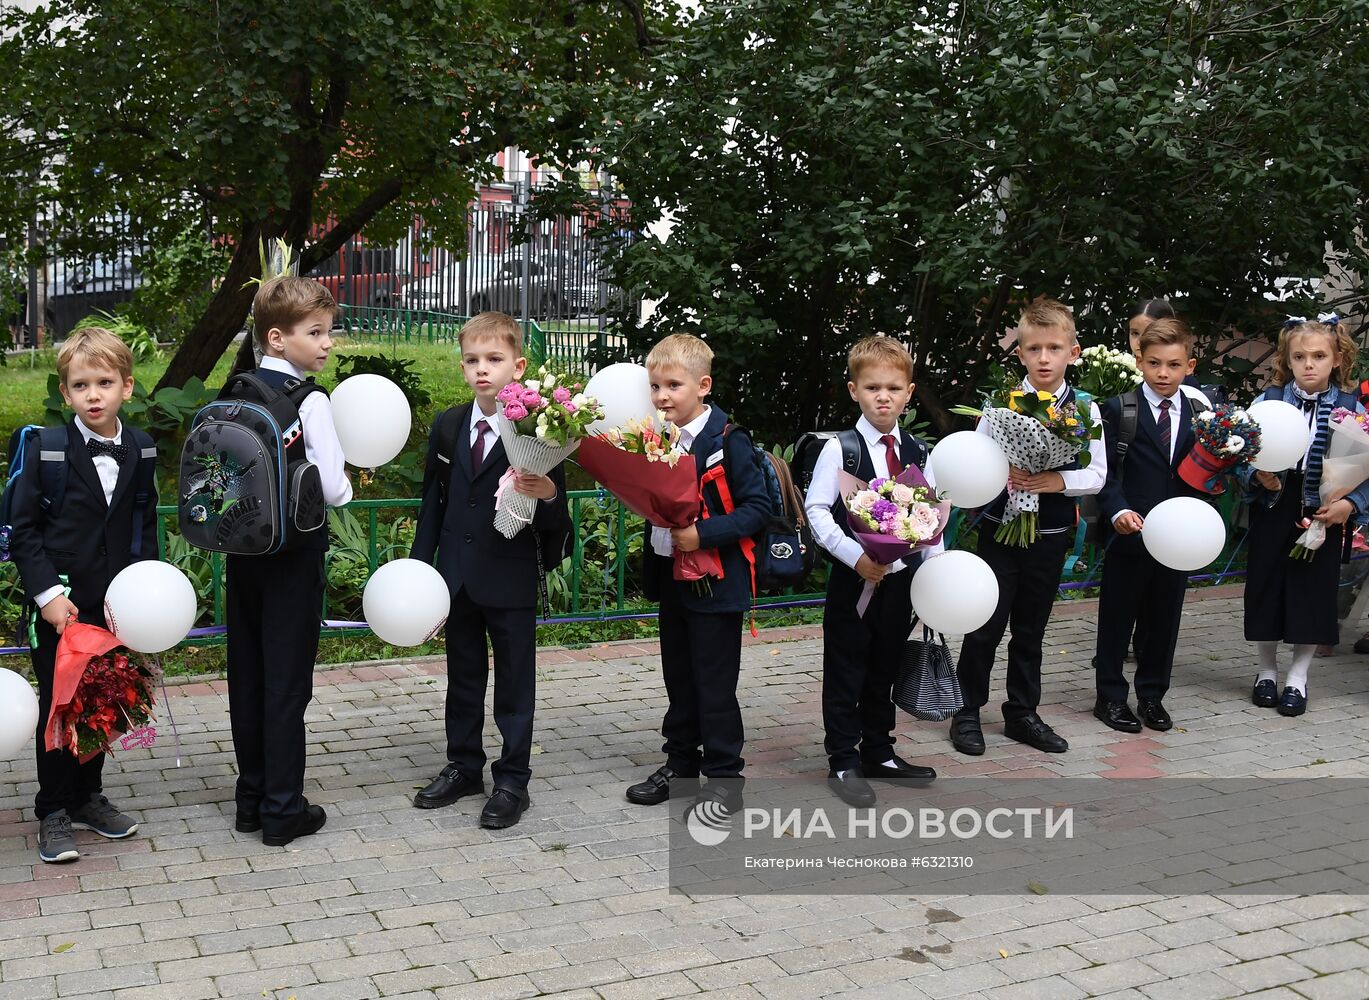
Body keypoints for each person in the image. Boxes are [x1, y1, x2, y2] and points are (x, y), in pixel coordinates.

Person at [411, 311, 570, 829]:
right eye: (473, 361)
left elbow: (557, 510)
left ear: (517, 366)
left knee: (514, 684)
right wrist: (421, 570)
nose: (483, 370)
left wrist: (544, 495)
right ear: (462, 367)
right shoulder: (449, 424)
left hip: (510, 576)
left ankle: (512, 780)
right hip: (457, 576)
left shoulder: (540, 428)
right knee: (463, 678)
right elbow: (432, 503)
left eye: (495, 360)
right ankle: (463, 766)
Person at [9, 326, 158, 863]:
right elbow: (22, 531)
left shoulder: (141, 448)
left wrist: (146, 592)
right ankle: (52, 808)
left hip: (117, 602)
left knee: (104, 700)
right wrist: (47, 594)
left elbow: (142, 523)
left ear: (127, 386)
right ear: (65, 392)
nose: (93, 395)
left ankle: (87, 795)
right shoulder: (45, 448)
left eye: (104, 382)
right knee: (60, 704)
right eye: (80, 385)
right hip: (61, 606)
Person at [225, 277, 353, 847]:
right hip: (292, 561)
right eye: (315, 333)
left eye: (328, 332)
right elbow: (330, 488)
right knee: (286, 685)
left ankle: (250, 800)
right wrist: (347, 484)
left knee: (247, 677)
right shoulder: (310, 401)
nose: (327, 344)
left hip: (242, 553)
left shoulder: (233, 390)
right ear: (277, 339)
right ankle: (283, 810)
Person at [952, 299, 1107, 756]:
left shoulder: (1084, 409)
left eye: (1054, 348)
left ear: (1073, 352)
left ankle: (1022, 712)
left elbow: (1096, 474)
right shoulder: (1000, 405)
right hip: (1000, 531)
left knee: (1031, 628)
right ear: (1019, 353)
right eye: (1033, 348)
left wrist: (1054, 480)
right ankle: (966, 710)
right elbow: (974, 462)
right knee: (985, 624)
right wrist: (997, 474)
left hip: (1051, 534)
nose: (1043, 358)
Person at [623, 333, 769, 819]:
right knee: (679, 679)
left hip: (717, 583)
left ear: (703, 386)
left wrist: (702, 534)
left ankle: (726, 777)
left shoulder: (728, 441)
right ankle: (680, 766)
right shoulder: (655, 438)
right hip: (672, 580)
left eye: (673, 386)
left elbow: (757, 510)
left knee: (714, 685)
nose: (662, 396)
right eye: (655, 386)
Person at [804, 336, 937, 807]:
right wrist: (855, 556)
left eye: (894, 388)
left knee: (885, 664)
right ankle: (843, 757)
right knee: (847, 667)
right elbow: (817, 511)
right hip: (854, 578)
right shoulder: (842, 449)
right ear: (853, 390)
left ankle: (879, 750)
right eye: (873, 387)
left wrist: (933, 577)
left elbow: (930, 522)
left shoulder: (918, 452)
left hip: (900, 581)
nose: (884, 396)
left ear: (909, 392)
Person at [1243, 316, 1367, 717]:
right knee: (1266, 585)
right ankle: (1265, 671)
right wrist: (1255, 473)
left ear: (1337, 359)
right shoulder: (1268, 402)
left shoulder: (1353, 409)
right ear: (1288, 360)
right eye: (1299, 356)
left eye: (1318, 356)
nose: (1308, 364)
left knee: (1312, 591)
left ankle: (1298, 677)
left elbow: (1366, 466)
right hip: (1275, 503)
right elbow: (1237, 453)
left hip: (1326, 509)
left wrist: (1351, 504)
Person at [1093, 318, 1206, 734]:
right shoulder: (1120, 409)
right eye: (1155, 363)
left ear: (1189, 366)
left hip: (1177, 538)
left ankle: (1152, 696)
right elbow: (1103, 472)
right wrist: (1117, 510)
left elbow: (1206, 474)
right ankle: (1109, 696)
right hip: (1130, 532)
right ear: (1139, 361)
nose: (1163, 373)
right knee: (1117, 617)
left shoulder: (1199, 413)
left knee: (1164, 618)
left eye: (1173, 365)